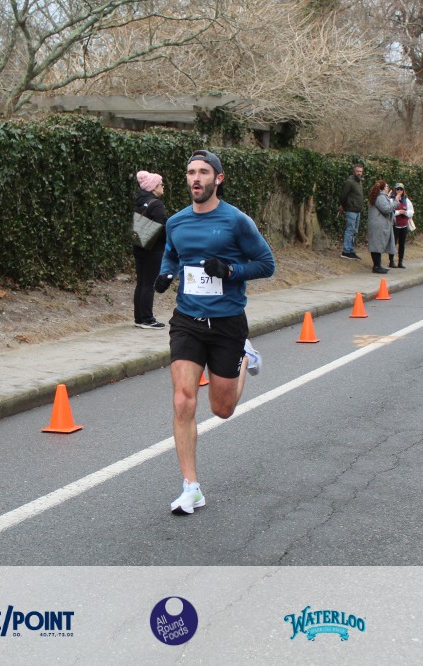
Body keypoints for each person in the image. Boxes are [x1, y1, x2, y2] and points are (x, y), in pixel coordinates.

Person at [154, 150, 276, 516]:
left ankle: (245, 357)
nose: (196, 178)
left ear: (218, 179)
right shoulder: (176, 222)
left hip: (227, 322)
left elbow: (266, 264)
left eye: (204, 172)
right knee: (183, 400)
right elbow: (172, 254)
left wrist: (230, 270)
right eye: (191, 172)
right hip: (187, 320)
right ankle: (191, 487)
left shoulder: (237, 221)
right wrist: (166, 273)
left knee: (222, 410)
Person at [132, 170, 168, 329]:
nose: (163, 186)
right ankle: (147, 319)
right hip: (154, 249)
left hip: (139, 245)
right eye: (161, 184)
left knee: (141, 282)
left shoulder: (140, 202)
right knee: (150, 283)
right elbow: (162, 227)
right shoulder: (156, 204)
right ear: (154, 187)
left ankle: (139, 318)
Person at [366, 179, 396, 274]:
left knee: (377, 244)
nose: (388, 188)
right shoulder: (380, 197)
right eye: (386, 186)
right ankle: (376, 266)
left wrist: (388, 198)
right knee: (377, 245)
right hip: (379, 224)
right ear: (382, 188)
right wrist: (396, 202)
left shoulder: (379, 196)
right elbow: (386, 209)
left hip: (376, 224)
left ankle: (378, 265)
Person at [338, 164, 365, 260]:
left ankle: (351, 250)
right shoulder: (349, 182)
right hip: (351, 209)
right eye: (358, 171)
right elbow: (343, 195)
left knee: (354, 231)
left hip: (358, 210)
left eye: (361, 171)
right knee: (350, 230)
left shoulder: (359, 181)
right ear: (354, 172)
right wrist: (342, 205)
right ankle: (346, 251)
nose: (359, 173)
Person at [389, 183, 414, 268]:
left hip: (404, 225)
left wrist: (405, 212)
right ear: (395, 190)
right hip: (394, 225)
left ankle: (400, 261)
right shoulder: (392, 199)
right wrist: (399, 212)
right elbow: (389, 211)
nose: (399, 191)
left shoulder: (406, 200)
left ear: (403, 190)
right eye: (398, 189)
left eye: (401, 189)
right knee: (393, 243)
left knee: (402, 244)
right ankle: (391, 261)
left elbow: (411, 212)